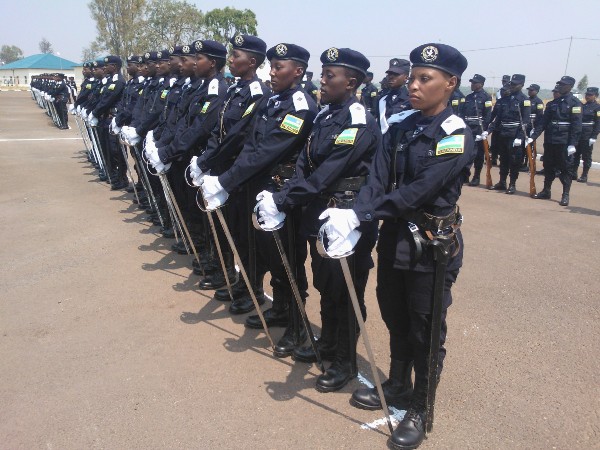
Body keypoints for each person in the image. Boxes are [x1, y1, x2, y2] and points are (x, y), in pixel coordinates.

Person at [317, 42, 473, 449]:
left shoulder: (455, 134)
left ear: (450, 84)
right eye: (415, 77)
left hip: (430, 246)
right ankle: (399, 382)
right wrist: (357, 212)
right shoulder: (401, 125)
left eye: (426, 79)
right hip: (395, 240)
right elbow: (376, 178)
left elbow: (421, 189)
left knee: (425, 326)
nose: (414, 86)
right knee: (394, 313)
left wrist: (361, 215)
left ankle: (421, 406)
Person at [256, 47, 379, 392]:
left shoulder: (357, 120)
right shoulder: (327, 115)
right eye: (323, 74)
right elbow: (304, 164)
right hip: (319, 214)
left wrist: (284, 198)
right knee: (326, 285)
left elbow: (327, 173)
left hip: (345, 218)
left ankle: (345, 362)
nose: (322, 81)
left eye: (329, 76)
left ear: (350, 82)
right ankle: (327, 345)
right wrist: (284, 194)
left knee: (345, 291)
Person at [198, 43, 318, 356]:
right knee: (270, 254)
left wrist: (227, 180)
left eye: (280, 67)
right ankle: (279, 308)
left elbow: (271, 149)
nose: (272, 72)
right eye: (272, 66)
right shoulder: (272, 100)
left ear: (298, 71)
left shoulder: (300, 104)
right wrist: (229, 181)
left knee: (289, 259)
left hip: (283, 193)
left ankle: (296, 325)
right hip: (259, 187)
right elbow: (251, 145)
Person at [192, 34, 270, 313]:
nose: (232, 60)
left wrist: (215, 165)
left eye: (236, 56)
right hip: (225, 171)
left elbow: (238, 138)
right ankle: (239, 282)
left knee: (248, 235)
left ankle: (253, 289)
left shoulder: (258, 93)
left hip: (243, 175)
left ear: (251, 61)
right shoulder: (236, 91)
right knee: (235, 232)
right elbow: (219, 131)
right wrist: (206, 162)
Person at [532, 76, 582, 206]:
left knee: (565, 169)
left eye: (563, 84)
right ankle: (546, 190)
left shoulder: (575, 103)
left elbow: (576, 125)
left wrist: (573, 143)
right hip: (550, 140)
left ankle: (565, 194)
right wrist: (533, 136)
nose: (560, 86)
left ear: (570, 86)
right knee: (548, 166)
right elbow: (543, 122)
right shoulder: (552, 103)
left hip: (564, 141)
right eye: (559, 84)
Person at [487, 74, 531, 194]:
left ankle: (512, 184)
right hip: (503, 133)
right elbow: (498, 119)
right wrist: (488, 130)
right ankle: (502, 181)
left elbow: (525, 121)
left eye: (514, 84)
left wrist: (520, 137)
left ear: (521, 85)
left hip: (515, 134)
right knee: (504, 159)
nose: (511, 86)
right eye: (511, 83)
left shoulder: (524, 100)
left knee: (514, 160)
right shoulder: (504, 100)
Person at [460, 73, 492, 186]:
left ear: (481, 84)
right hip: (468, 127)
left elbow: (488, 115)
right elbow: (462, 113)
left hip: (479, 128)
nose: (472, 84)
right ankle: (465, 175)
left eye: (474, 83)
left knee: (478, 155)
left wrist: (484, 131)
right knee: (466, 154)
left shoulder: (486, 97)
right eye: (471, 82)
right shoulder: (468, 97)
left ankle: (476, 176)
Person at [375, 58, 411, 134]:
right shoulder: (382, 99)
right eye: (389, 74)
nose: (391, 77)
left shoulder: (411, 100)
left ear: (406, 77)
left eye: (396, 74)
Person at [573, 86, 600, 182]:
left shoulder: (597, 108)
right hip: (579, 134)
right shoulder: (582, 106)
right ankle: (573, 173)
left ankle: (584, 175)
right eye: (587, 94)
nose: (587, 96)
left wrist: (594, 136)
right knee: (575, 154)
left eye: (590, 95)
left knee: (586, 156)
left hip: (588, 134)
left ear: (596, 96)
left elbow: (598, 123)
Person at [524, 83, 544, 171]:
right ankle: (524, 163)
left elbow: (540, 116)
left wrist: (535, 128)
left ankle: (530, 163)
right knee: (523, 146)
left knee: (531, 146)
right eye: (529, 90)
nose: (529, 92)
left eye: (531, 90)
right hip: (526, 126)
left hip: (533, 126)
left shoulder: (539, 102)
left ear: (536, 91)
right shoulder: (526, 100)